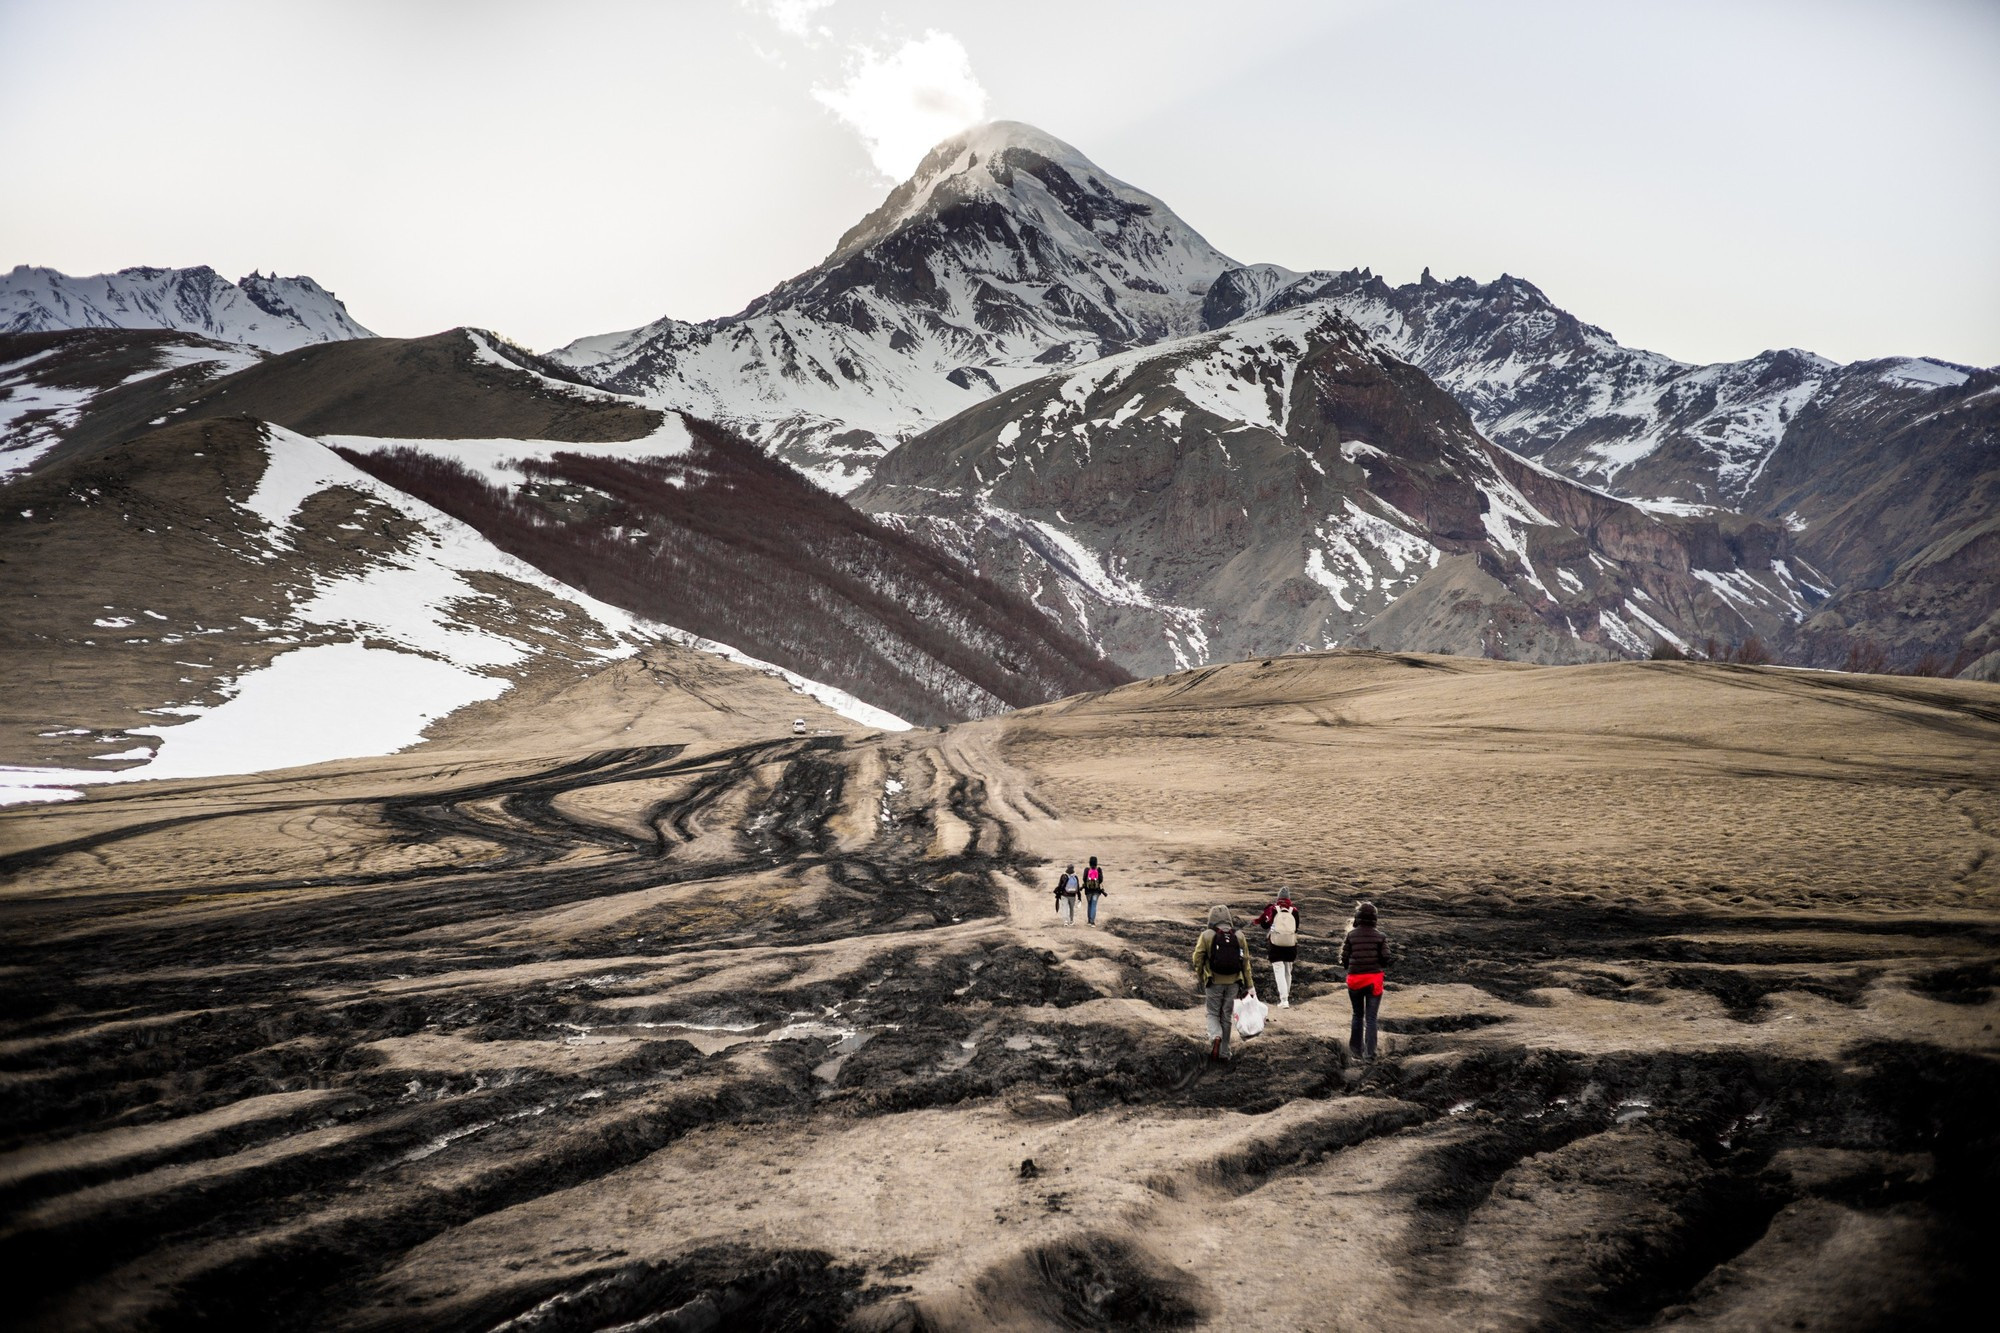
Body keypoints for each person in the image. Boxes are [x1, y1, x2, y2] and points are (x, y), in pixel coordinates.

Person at [1191, 904, 1256, 1062]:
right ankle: (1224, 1052)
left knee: (1213, 1013)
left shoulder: (1207, 935)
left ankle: (1216, 1036)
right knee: (1226, 1016)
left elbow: (1197, 958)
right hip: (1234, 982)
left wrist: (1202, 975)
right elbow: (1245, 963)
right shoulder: (1239, 936)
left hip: (1214, 981)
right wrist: (1250, 986)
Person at [1339, 900, 1391, 1060]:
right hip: (1373, 980)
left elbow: (1344, 957)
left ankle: (1356, 1052)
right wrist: (1378, 965)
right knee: (1371, 1018)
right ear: (1375, 918)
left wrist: (1350, 967)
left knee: (1357, 1015)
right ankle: (1370, 1054)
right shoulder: (1380, 936)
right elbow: (1386, 958)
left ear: (1358, 917)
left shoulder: (1351, 935)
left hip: (1355, 980)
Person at [1256, 892, 1300, 1008]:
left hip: (1275, 945)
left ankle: (1284, 999)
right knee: (1287, 971)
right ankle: (1286, 998)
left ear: (1278, 898)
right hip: (1291, 945)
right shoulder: (1294, 911)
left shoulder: (1273, 909)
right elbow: (1296, 927)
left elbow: (1265, 925)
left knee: (1279, 970)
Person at [1082, 855, 1107, 925]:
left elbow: (1084, 879)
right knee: (1094, 905)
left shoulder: (1086, 870)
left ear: (1089, 862)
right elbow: (1101, 880)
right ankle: (1092, 921)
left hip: (1088, 891)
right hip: (1096, 891)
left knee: (1089, 905)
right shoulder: (1099, 870)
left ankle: (1089, 921)